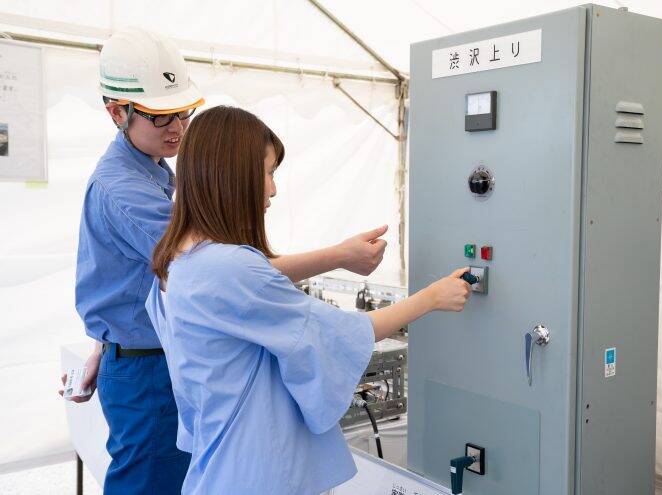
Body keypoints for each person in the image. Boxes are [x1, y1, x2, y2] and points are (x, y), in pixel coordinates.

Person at [63, 29, 388, 494]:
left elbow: (146, 279)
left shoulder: (150, 167)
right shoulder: (125, 191)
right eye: (161, 116)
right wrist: (341, 256)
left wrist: (104, 343)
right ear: (118, 113)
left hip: (144, 356)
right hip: (147, 369)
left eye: (184, 112)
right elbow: (214, 273)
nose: (177, 127)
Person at [145, 105, 472, 494]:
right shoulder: (229, 266)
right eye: (268, 173)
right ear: (234, 175)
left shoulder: (178, 260)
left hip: (220, 462)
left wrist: (340, 255)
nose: (272, 189)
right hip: (256, 470)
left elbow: (252, 280)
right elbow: (346, 332)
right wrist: (433, 297)